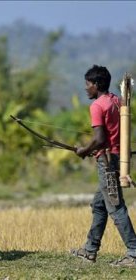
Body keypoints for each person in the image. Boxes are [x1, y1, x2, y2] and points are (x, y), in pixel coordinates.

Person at [71, 65, 136, 267]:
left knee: (115, 207)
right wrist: (94, 147)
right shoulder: (117, 100)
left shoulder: (98, 106)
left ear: (96, 85)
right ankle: (90, 250)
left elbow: (99, 139)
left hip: (107, 162)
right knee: (99, 205)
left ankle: (134, 253)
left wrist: (84, 150)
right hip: (118, 157)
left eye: (88, 84)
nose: (86, 88)